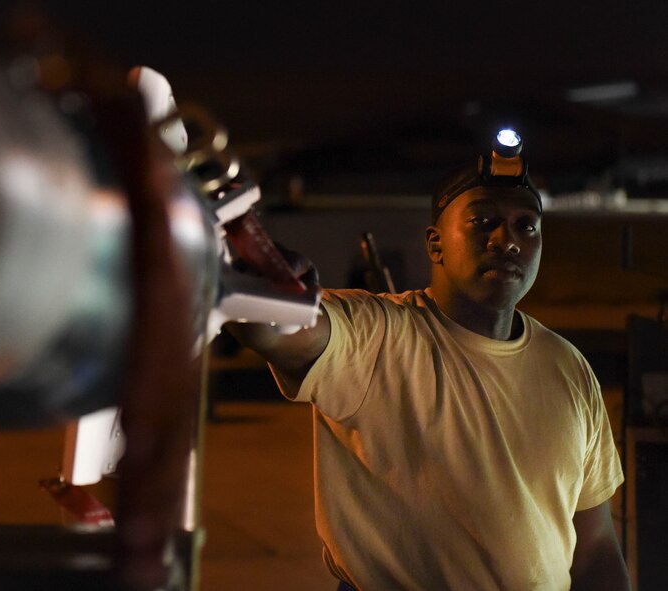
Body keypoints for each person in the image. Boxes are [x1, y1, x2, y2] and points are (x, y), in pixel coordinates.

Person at [227, 132, 630, 590]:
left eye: (526, 226)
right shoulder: (380, 337)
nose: (508, 240)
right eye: (483, 222)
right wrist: (267, 285)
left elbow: (596, 546)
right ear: (435, 244)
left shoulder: (569, 369)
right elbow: (283, 330)